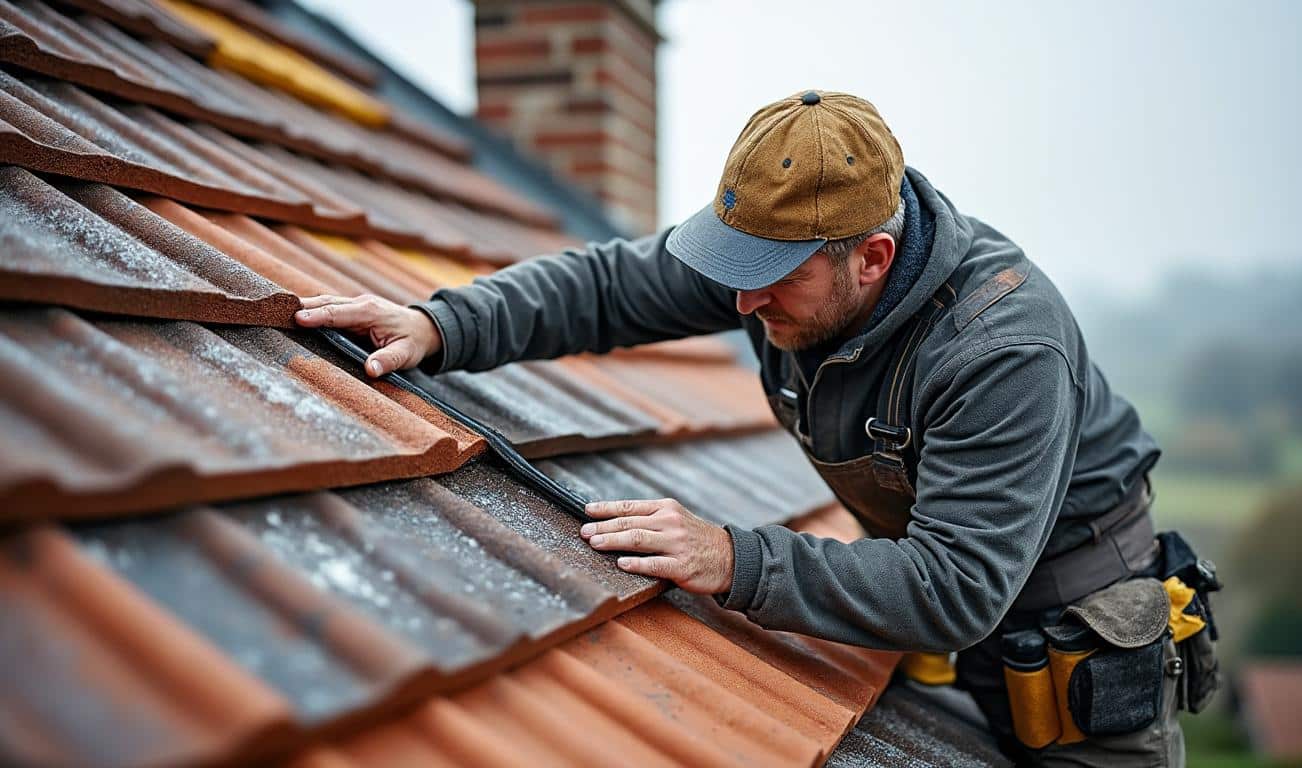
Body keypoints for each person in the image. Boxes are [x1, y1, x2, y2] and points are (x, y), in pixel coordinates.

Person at [296, 90, 1219, 766]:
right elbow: (612, 286)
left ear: (873, 257)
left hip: (1082, 671)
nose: (741, 298)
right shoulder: (782, 252)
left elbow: (957, 585)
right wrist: (443, 323)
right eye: (733, 266)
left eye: (770, 278)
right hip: (959, 638)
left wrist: (734, 559)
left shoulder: (1001, 349)